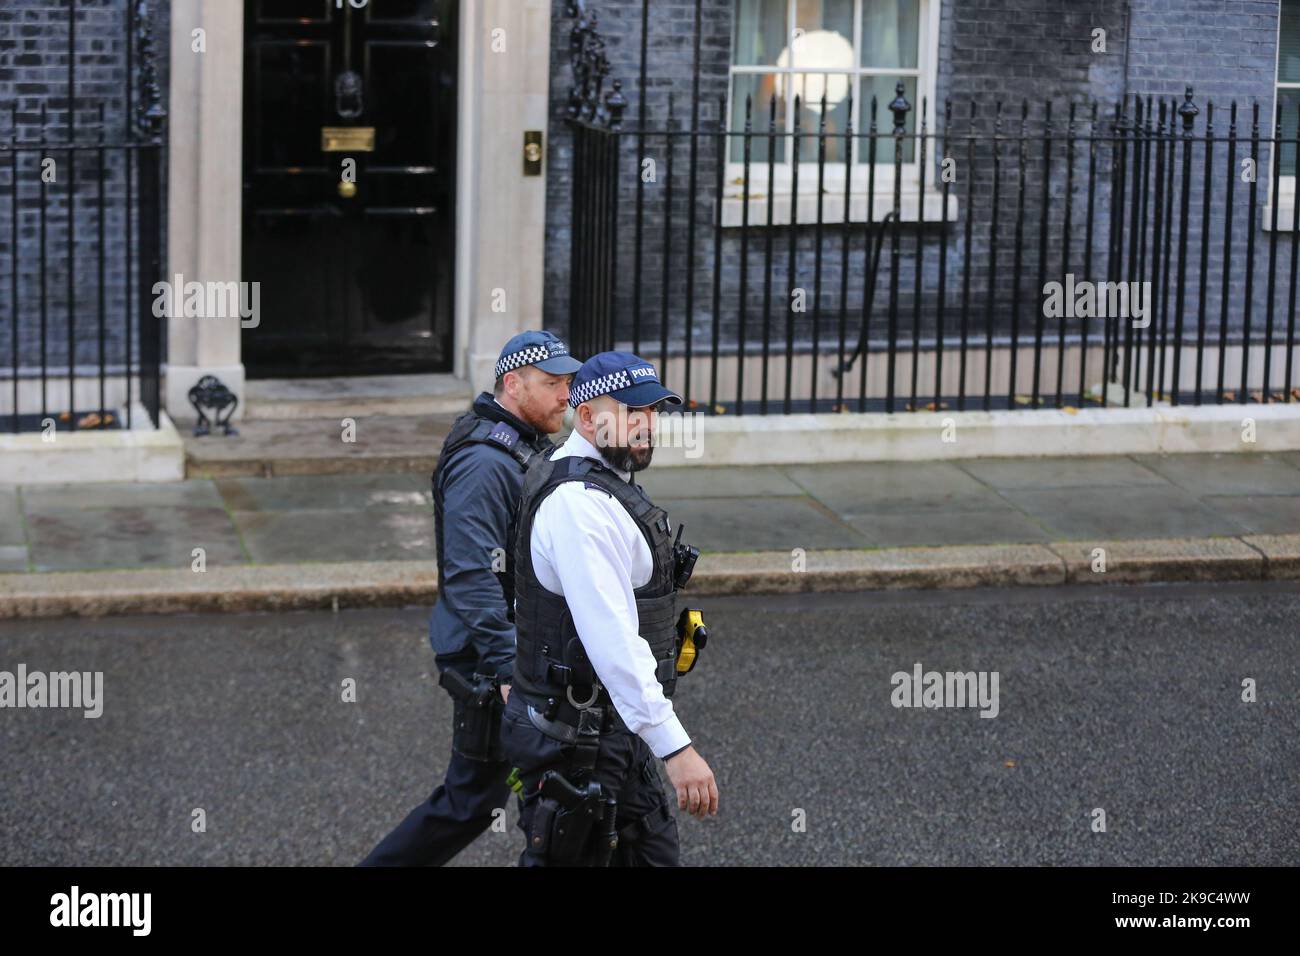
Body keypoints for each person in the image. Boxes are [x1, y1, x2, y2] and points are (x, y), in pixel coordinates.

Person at [359, 330, 581, 866]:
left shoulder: (522, 444)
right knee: (524, 799)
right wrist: (510, 672)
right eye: (552, 384)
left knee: (485, 800)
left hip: (514, 654)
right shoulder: (485, 463)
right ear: (513, 384)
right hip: (494, 661)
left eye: (568, 384)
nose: (565, 397)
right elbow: (470, 576)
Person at [500, 350, 719, 867]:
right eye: (630, 412)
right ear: (587, 417)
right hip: (576, 742)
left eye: (653, 412)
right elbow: (611, 641)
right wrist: (676, 749)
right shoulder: (579, 505)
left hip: (600, 729)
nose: (647, 425)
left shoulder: (592, 477)